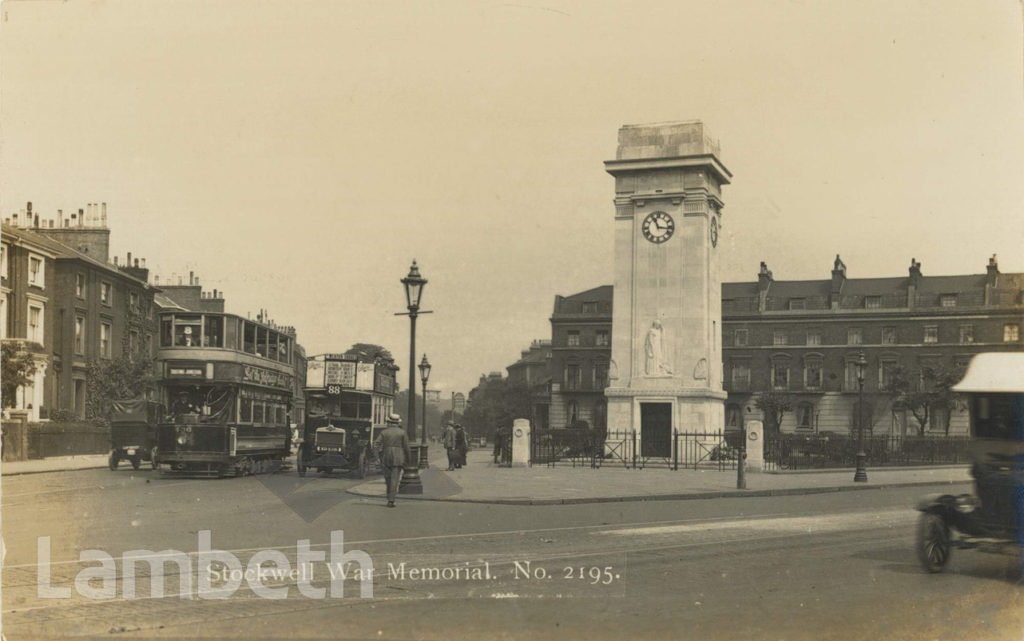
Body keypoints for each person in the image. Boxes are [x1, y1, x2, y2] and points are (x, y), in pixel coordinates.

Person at [373, 412, 412, 508]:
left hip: (386, 456)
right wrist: (408, 459)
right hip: (398, 457)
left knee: (388, 479)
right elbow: (407, 447)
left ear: (389, 422)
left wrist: (377, 457)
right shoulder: (402, 432)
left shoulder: (384, 432)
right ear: (398, 423)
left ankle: (388, 496)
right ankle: (391, 500)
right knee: (395, 479)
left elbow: (376, 444)